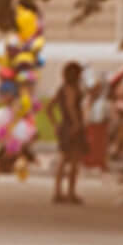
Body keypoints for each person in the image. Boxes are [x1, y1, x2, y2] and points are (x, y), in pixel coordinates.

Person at [49, 61, 90, 204]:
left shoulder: (61, 89)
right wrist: (76, 124)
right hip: (73, 126)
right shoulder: (72, 89)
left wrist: (55, 124)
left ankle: (58, 191)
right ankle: (70, 192)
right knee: (74, 161)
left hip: (64, 126)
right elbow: (71, 106)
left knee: (63, 159)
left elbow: (49, 107)